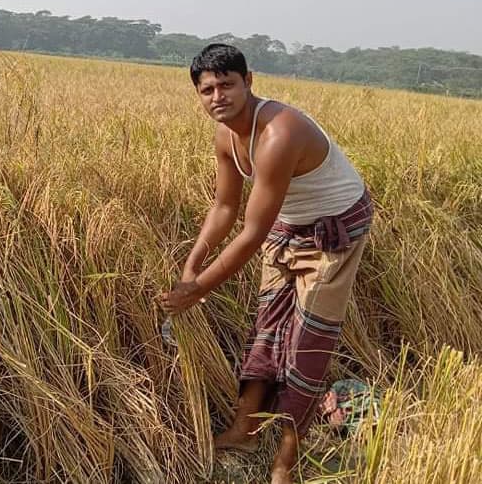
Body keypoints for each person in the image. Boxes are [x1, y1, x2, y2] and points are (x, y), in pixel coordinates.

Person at [158, 43, 373, 484]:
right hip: (288, 222)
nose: (217, 96)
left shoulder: (279, 132)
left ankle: (285, 464)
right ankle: (245, 430)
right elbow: (223, 207)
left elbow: (252, 233)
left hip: (333, 229)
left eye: (227, 85)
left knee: (308, 342)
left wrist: (199, 290)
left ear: (249, 81)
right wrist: (190, 268)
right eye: (206, 90)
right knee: (269, 325)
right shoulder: (226, 136)